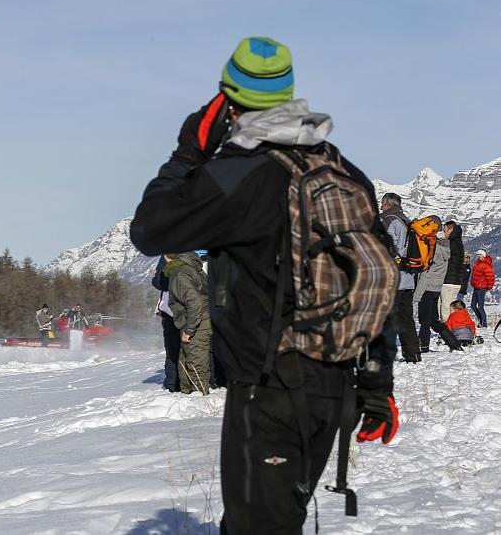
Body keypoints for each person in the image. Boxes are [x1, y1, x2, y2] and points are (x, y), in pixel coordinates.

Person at [129, 37, 398, 533]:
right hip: (334, 386)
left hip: (271, 388)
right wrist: (378, 385)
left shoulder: (239, 175)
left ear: (228, 103)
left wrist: (189, 151)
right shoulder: (341, 170)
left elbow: (150, 230)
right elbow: (375, 273)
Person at [379, 193, 423, 363]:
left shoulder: (389, 221)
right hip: (408, 278)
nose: (381, 207)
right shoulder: (406, 221)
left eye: (382, 204)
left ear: (388, 205)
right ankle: (413, 354)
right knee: (406, 318)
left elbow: (389, 246)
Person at [164, 252, 211, 395]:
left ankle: (200, 403)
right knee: (186, 361)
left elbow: (194, 302)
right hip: (199, 319)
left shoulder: (180, 274)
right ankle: (188, 397)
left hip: (197, 322)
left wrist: (189, 330)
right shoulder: (189, 267)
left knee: (195, 364)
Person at [414, 222, 462, 354]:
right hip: (436, 288)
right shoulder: (446, 250)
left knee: (424, 320)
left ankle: (423, 347)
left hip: (427, 288)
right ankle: (454, 343)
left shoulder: (433, 253)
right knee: (434, 320)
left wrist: (417, 294)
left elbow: (426, 275)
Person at [152, 256, 181, 393]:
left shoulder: (170, 252)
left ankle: (173, 384)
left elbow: (160, 283)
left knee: (173, 349)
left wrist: (155, 278)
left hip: (171, 309)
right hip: (203, 309)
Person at [441, 221, 465, 320]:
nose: (444, 233)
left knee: (446, 307)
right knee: (448, 306)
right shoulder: (458, 242)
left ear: (450, 229)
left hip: (449, 279)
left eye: (445, 230)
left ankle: (448, 332)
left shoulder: (452, 243)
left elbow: (445, 258)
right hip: (455, 280)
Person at [471, 249, 494, 328]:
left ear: (483, 255)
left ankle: (484, 323)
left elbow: (490, 277)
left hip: (481, 288)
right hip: (476, 287)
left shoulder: (486, 265)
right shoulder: (476, 263)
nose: (478, 256)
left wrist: (488, 287)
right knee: (473, 306)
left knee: (480, 307)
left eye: (480, 255)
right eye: (478, 255)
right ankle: (480, 320)